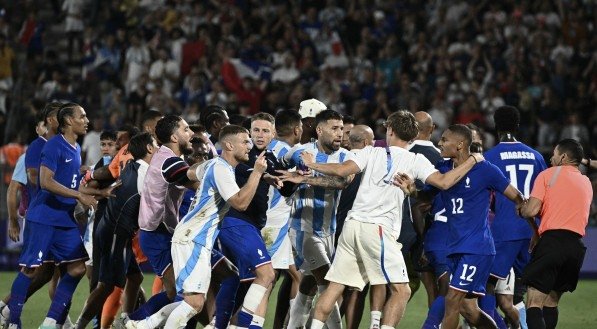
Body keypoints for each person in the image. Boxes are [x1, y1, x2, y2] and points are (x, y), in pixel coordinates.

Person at [290, 111, 483, 329]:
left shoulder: (369, 152)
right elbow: (444, 182)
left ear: (390, 130)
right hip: (378, 229)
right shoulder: (415, 160)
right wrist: (474, 160)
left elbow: (343, 170)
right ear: (412, 136)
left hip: (352, 227)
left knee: (335, 287)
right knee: (402, 291)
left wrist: (312, 165)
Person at [5, 103, 100, 328]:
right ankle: (13, 321)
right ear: (68, 121)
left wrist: (96, 190)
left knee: (77, 268)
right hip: (44, 218)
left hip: (64, 219)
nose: (87, 120)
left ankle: (50, 322)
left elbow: (69, 179)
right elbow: (45, 182)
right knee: (31, 270)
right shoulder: (53, 146)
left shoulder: (75, 148)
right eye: (82, 116)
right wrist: (79, 195)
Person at [163, 125, 267, 327]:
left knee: (194, 301)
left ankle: (144, 324)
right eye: (245, 141)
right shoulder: (221, 169)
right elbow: (240, 203)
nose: (250, 145)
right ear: (229, 145)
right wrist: (257, 173)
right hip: (193, 238)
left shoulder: (215, 165)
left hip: (196, 238)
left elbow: (191, 173)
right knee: (193, 303)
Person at [427, 124, 525, 329]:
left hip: (476, 248)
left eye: (445, 140)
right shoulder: (444, 168)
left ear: (460, 144)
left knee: (452, 300)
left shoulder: (486, 170)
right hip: (455, 248)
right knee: (468, 308)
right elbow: (426, 195)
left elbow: (515, 195)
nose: (440, 143)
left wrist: (521, 208)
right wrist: (410, 189)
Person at [75, 132, 158, 328]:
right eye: (155, 144)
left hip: (110, 227)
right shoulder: (146, 175)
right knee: (106, 285)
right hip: (116, 232)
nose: (158, 148)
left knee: (135, 277)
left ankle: (125, 319)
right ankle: (80, 325)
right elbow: (152, 212)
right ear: (148, 148)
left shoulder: (130, 167)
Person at [280, 109, 354, 329]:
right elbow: (283, 162)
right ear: (319, 130)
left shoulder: (345, 157)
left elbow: (343, 181)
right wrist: (288, 175)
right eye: (334, 128)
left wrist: (307, 177)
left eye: (341, 128)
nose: (340, 133)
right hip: (303, 228)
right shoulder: (302, 151)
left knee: (309, 285)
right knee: (328, 285)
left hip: (328, 230)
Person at [122, 115, 194, 325]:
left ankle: (133, 321)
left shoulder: (166, 157)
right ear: (174, 136)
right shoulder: (168, 161)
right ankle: (135, 322)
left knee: (175, 291)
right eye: (186, 129)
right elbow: (193, 181)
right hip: (156, 234)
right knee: (181, 292)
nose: (190, 134)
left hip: (160, 232)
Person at [518, 139, 592, 329]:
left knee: (534, 301)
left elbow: (531, 210)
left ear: (563, 157)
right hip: (576, 247)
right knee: (551, 302)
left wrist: (522, 209)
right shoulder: (586, 182)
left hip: (552, 242)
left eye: (554, 154)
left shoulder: (548, 174)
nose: (551, 158)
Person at [484, 106, 547, 328]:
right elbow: (545, 193)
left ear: (495, 126)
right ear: (518, 126)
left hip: (503, 229)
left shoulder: (489, 157)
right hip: (533, 231)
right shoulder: (537, 156)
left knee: (487, 283)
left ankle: (495, 325)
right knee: (534, 288)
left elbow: (486, 197)